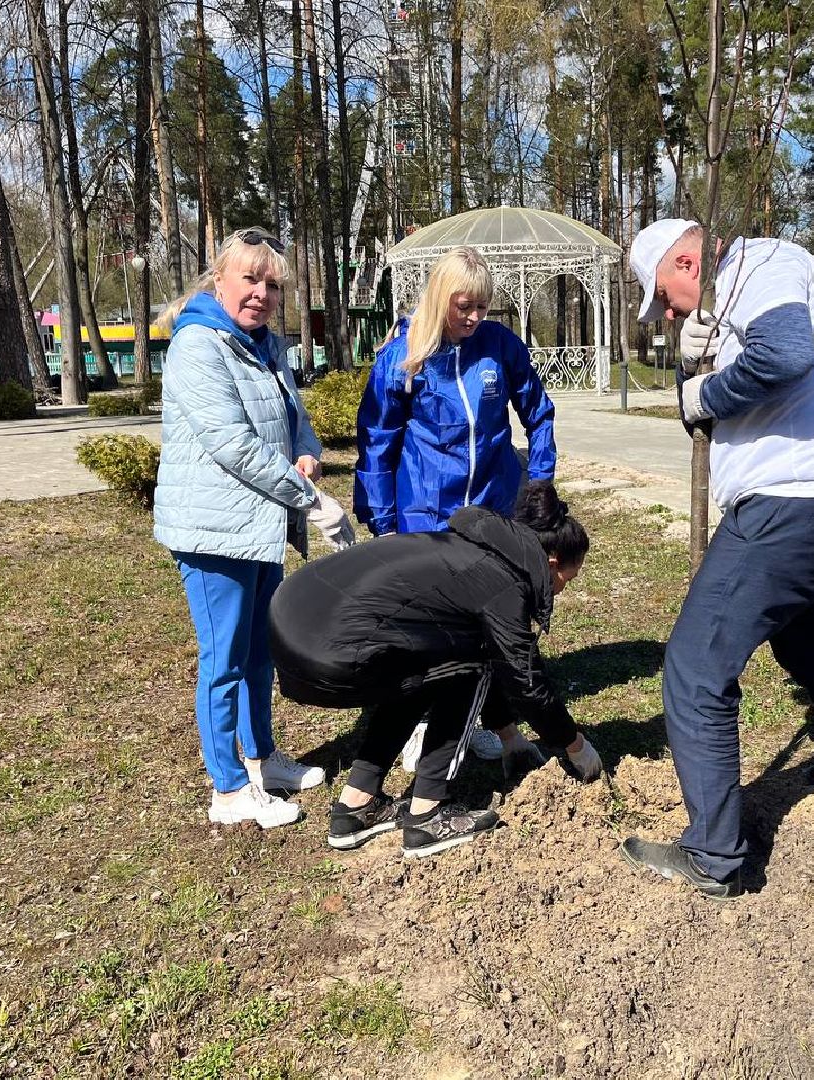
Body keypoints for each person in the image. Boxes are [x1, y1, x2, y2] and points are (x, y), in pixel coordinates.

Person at [619, 219, 814, 900]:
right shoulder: (731, 301)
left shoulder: (763, 267)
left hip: (793, 507)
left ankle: (714, 855)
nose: (667, 315)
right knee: (801, 643)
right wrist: (690, 373)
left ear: (686, 262)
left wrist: (703, 392)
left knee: (696, 666)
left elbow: (783, 359)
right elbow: (713, 415)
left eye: (663, 298)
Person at [268, 481, 604, 859]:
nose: (560, 590)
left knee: (428, 665)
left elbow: (494, 660)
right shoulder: (502, 581)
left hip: (290, 623)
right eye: (566, 580)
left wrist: (510, 738)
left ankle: (356, 806)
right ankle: (428, 815)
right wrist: (575, 745)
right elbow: (525, 680)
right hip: (326, 649)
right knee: (465, 666)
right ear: (552, 563)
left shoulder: (473, 547)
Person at [153, 225, 341, 829]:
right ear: (219, 280)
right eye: (250, 279)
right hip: (213, 531)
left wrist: (307, 452)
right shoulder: (197, 346)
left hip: (258, 525)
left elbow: (293, 416)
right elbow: (232, 444)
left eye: (272, 285)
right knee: (225, 660)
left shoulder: (266, 345)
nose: (261, 293)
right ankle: (229, 788)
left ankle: (263, 760)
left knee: (261, 652)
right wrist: (310, 499)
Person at [354, 245, 558, 761]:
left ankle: (482, 715)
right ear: (440, 297)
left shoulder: (500, 347)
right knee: (425, 626)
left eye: (482, 307)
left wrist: (538, 485)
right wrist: (383, 522)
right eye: (463, 306)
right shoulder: (403, 355)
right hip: (424, 512)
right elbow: (378, 440)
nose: (473, 317)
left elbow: (538, 413)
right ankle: (419, 721)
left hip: (490, 509)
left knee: (485, 621)